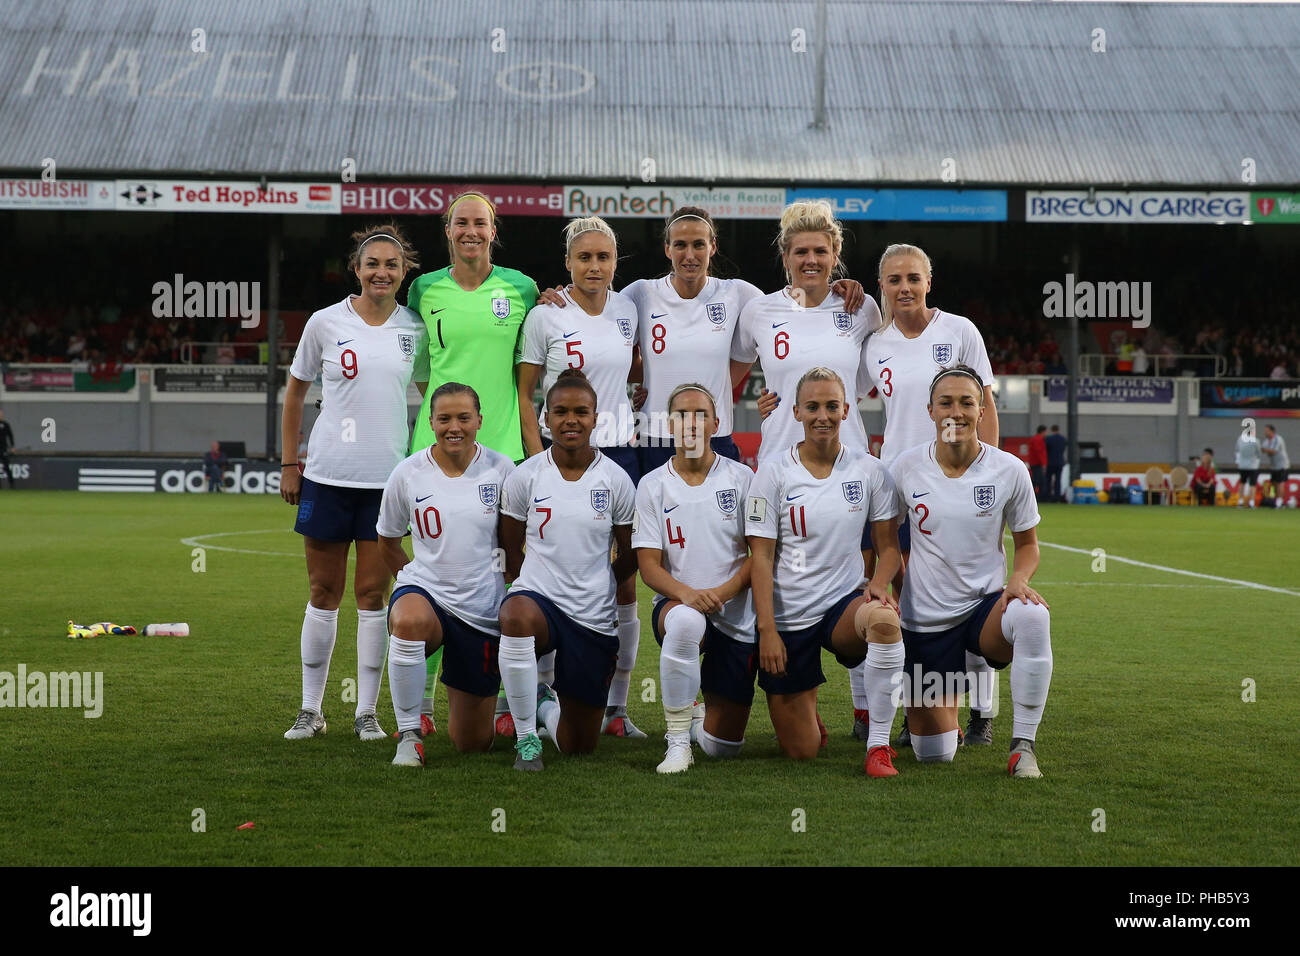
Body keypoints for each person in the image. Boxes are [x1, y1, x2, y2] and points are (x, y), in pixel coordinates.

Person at [280, 225, 429, 742]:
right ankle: (310, 709)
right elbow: (295, 394)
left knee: (372, 595)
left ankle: (366, 712)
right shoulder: (324, 323)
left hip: (385, 484)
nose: (381, 272)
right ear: (357, 269)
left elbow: (432, 397)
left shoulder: (415, 327)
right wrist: (289, 464)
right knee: (323, 591)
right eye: (372, 264)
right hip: (326, 475)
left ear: (404, 270)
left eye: (391, 264)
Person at [856, 243, 1001, 748]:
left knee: (970, 594)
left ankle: (982, 710)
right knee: (912, 603)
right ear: (883, 286)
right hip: (900, 484)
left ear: (928, 282)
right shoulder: (874, 344)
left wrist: (989, 481)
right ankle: (922, 710)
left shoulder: (960, 331)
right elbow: (837, 393)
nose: (904, 288)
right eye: (894, 280)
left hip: (960, 484)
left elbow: (984, 407)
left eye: (913, 278)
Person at [405, 192, 540, 732]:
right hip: (436, 448)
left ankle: (511, 703)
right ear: (448, 230)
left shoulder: (523, 288)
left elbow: (529, 366)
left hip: (504, 452)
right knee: (435, 570)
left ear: (493, 230)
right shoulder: (423, 289)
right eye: (461, 222)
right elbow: (421, 369)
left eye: (479, 223)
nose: (470, 232)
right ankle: (420, 707)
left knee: (512, 572)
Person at [516, 216, 646, 738]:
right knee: (552, 570)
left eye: (604, 257)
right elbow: (526, 395)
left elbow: (630, 376)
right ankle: (544, 688)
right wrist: (534, 459)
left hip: (621, 455)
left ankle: (617, 710)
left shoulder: (627, 310)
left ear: (615, 263)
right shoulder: (545, 315)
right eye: (584, 257)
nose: (595, 267)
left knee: (624, 581)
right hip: (560, 453)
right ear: (568, 262)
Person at [889, 365, 1053, 777]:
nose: (956, 412)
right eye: (946, 402)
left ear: (982, 411)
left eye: (967, 402)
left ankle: (1023, 747)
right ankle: (942, 710)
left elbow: (1028, 545)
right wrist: (888, 584)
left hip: (985, 611)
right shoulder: (905, 468)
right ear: (930, 410)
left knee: (1033, 616)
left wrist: (1018, 579)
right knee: (935, 754)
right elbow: (885, 538)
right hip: (927, 621)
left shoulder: (1009, 469)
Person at [746, 367, 905, 777]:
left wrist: (876, 584)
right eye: (813, 407)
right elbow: (760, 558)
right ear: (796, 412)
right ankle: (806, 707)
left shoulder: (870, 470)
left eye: (832, 406)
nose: (823, 416)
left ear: (846, 410)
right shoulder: (773, 473)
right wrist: (767, 630)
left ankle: (878, 746)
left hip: (843, 608)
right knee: (803, 752)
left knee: (885, 621)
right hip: (788, 618)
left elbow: (889, 548)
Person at [497, 369, 637, 770]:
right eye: (560, 411)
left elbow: (630, 555)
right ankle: (526, 738)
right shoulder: (525, 476)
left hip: (592, 614)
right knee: (516, 615)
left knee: (578, 745)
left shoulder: (616, 480)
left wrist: (603, 580)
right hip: (539, 601)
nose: (570, 420)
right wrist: (531, 582)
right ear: (546, 418)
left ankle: (544, 708)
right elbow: (510, 546)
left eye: (580, 411)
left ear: (596, 418)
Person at [377, 383, 515, 766]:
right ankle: (408, 737)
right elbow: (387, 541)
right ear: (431, 422)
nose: (454, 427)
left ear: (479, 421)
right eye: (444, 419)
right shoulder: (407, 473)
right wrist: (411, 580)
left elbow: (515, 544)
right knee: (407, 619)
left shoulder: (503, 470)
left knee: (472, 743)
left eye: (463, 418)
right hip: (428, 597)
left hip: (482, 612)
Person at [634, 384, 757, 773]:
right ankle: (675, 744)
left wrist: (722, 592)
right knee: (687, 623)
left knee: (724, 749)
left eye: (700, 414)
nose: (691, 423)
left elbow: (762, 555)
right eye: (682, 415)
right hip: (678, 605)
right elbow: (649, 566)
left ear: (716, 423)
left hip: (735, 610)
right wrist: (687, 595)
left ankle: (699, 717)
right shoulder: (652, 484)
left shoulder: (743, 478)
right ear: (669, 424)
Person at [731, 201, 882, 467]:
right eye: (801, 252)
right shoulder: (758, 311)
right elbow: (726, 379)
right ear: (786, 257)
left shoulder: (862, 308)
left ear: (835, 255)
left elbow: (863, 381)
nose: (811, 260)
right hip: (779, 461)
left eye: (820, 251)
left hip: (849, 461)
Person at [1260, 425, 1290, 508]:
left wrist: (1266, 450)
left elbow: (1273, 451)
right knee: (1274, 483)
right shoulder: (1266, 440)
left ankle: (1280, 501)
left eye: (1266, 431)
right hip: (1274, 465)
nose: (1265, 432)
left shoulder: (1277, 439)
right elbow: (1262, 449)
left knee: (1280, 483)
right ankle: (1275, 499)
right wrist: (1266, 450)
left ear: (1272, 431)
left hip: (1282, 464)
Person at [1234, 422, 1260, 508]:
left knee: (1242, 483)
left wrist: (1237, 462)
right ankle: (1251, 502)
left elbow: (1237, 451)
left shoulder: (1240, 439)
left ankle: (1240, 501)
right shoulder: (1255, 441)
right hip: (1253, 466)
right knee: (1252, 484)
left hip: (1242, 465)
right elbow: (1258, 453)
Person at [1045, 424, 1067, 502]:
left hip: (1050, 462)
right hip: (1060, 462)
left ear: (1052, 430)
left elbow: (1046, 450)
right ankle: (1057, 497)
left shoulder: (1048, 439)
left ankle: (1048, 496)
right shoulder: (1063, 439)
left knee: (1048, 480)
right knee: (1058, 480)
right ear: (1058, 430)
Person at [1028, 426, 1048, 502]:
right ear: (1043, 431)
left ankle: (1035, 498)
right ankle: (1038, 498)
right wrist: (1043, 464)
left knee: (1036, 480)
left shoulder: (1034, 438)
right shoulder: (1038, 439)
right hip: (1037, 463)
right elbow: (1039, 452)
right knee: (1039, 481)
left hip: (1034, 462)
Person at [0, 409, 15, 488]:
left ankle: (11, 483)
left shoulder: (5, 424)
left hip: (3, 448)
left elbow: (10, 435)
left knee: (6, 466)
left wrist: (12, 446)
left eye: (1, 414)